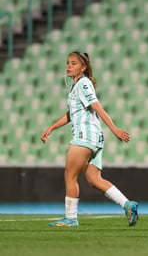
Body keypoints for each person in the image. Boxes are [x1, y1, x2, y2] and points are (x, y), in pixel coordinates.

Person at [41, 51, 139, 227]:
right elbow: (72, 114)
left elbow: (97, 107)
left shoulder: (84, 84)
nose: (68, 66)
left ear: (83, 68)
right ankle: (128, 204)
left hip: (84, 136)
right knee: (94, 180)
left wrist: (114, 128)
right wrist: (51, 128)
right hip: (94, 138)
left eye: (73, 63)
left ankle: (70, 218)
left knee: (70, 176)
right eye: (67, 63)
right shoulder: (75, 85)